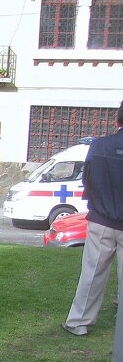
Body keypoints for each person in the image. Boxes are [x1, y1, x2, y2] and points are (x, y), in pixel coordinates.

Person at [64, 100, 123, 337]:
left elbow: (87, 180)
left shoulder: (99, 146)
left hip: (101, 219)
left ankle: (79, 321)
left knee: (92, 273)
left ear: (117, 120)